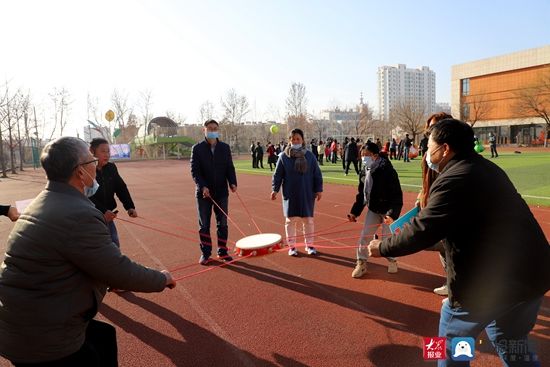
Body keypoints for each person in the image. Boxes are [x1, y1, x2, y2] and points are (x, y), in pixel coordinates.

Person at [368, 119, 550, 366]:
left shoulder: (454, 178)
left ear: (444, 149)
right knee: (509, 338)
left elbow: (424, 229)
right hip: (533, 276)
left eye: (428, 147)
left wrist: (383, 248)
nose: (425, 153)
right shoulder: (487, 168)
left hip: (489, 283)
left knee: (446, 346)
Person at [0, 137, 176, 366]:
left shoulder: (42, 201)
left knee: (103, 337)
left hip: (23, 320)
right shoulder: (78, 214)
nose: (96, 164)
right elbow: (117, 271)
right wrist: (161, 279)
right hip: (41, 336)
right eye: (91, 159)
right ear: (80, 172)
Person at [348, 142, 402, 278]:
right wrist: (354, 212)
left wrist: (391, 214)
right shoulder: (364, 170)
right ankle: (361, 263)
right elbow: (362, 195)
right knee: (365, 235)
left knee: (387, 239)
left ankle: (392, 260)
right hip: (373, 209)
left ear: (375, 156)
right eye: (362, 155)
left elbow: (397, 195)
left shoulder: (387, 171)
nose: (363, 158)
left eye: (367, 155)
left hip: (387, 211)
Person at [191, 119, 238, 265]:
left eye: (215, 128)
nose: (212, 131)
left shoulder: (224, 148)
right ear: (204, 130)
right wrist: (203, 186)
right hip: (203, 194)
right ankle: (205, 254)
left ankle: (223, 251)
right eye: (209, 128)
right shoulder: (197, 149)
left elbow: (230, 167)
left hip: (221, 192)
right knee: (204, 225)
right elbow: (195, 171)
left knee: (222, 224)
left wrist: (233, 182)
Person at [271, 128, 323, 257]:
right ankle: (292, 247)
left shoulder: (309, 156)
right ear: (289, 140)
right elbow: (277, 175)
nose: (295, 141)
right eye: (293, 139)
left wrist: (319, 189)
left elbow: (317, 174)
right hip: (291, 193)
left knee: (308, 221)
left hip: (307, 193)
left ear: (302, 140)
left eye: (298, 139)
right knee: (290, 221)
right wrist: (275, 189)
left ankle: (309, 245)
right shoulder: (283, 156)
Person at [417, 112, 453, 296]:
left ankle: (459, 288)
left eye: (435, 127)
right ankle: (452, 283)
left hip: (448, 208)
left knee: (442, 243)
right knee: (441, 247)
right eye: (429, 129)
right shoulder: (428, 156)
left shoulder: (454, 159)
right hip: (432, 203)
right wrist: (421, 197)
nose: (431, 131)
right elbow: (426, 181)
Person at [89, 138, 137, 249]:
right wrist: (102, 211)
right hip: (92, 218)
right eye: (103, 151)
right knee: (99, 247)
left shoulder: (111, 168)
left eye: (108, 151)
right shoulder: (87, 170)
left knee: (114, 244)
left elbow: (120, 187)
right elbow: (86, 195)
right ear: (92, 151)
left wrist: (129, 206)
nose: (107, 154)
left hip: (108, 216)